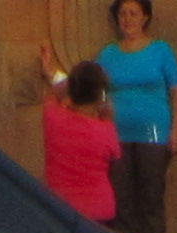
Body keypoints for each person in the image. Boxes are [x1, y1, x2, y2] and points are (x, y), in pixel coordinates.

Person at [93, 0, 177, 233]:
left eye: (133, 13)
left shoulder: (160, 50)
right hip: (117, 136)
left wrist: (176, 130)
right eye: (123, 13)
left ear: (145, 18)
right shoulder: (108, 54)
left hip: (154, 135)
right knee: (121, 203)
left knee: (151, 201)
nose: (128, 19)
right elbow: (97, 91)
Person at [37, 55, 120, 223]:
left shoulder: (53, 117)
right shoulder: (105, 130)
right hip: (99, 210)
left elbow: (56, 91)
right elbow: (115, 155)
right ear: (100, 95)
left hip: (59, 207)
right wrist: (107, 118)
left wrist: (64, 77)